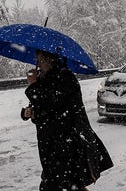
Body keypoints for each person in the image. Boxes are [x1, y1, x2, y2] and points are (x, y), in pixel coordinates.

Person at [21, 50, 113, 191]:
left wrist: (33, 85)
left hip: (65, 142)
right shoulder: (46, 79)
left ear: (50, 60)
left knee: (60, 184)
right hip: (50, 144)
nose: (38, 65)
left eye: (40, 60)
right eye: (37, 60)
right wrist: (29, 112)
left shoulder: (65, 77)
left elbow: (53, 104)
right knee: (67, 184)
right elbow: (43, 109)